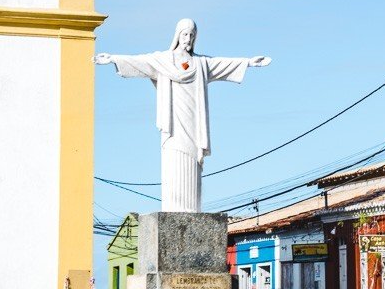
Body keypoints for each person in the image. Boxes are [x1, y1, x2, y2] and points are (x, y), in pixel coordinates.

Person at [95, 18, 270, 212]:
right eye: (185, 34)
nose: (188, 38)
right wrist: (114, 59)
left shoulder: (200, 64)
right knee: (174, 156)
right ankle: (174, 208)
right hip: (173, 125)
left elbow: (221, 64)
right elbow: (140, 62)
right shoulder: (163, 61)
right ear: (178, 35)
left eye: (192, 35)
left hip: (194, 122)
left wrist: (248, 63)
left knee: (193, 161)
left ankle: (191, 210)